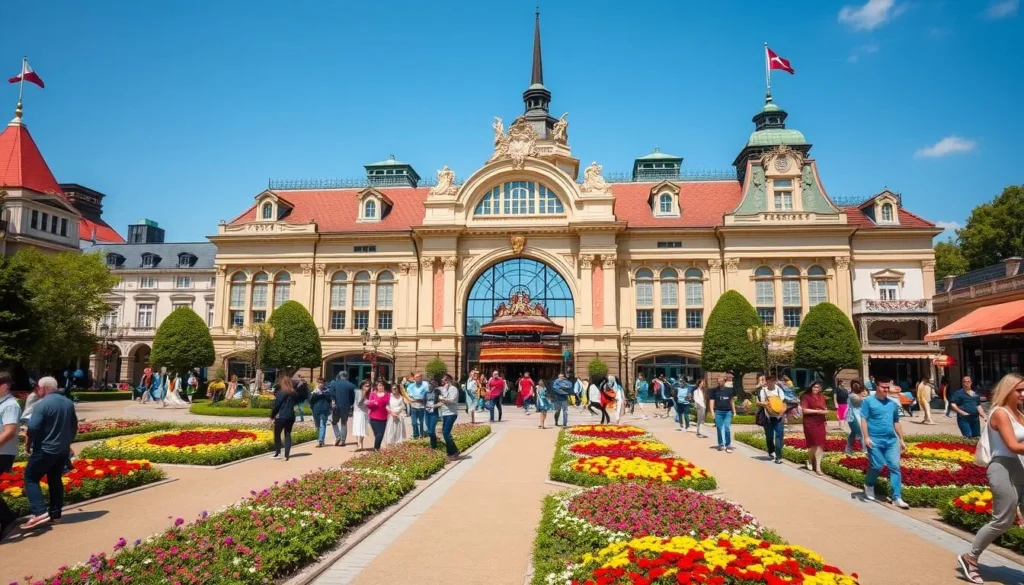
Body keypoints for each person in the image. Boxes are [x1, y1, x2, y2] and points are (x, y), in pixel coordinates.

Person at [957, 374, 1024, 584]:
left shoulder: (1020, 413)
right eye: (1019, 390)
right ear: (1007, 390)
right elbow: (1012, 446)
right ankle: (971, 558)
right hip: (1002, 467)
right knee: (1003, 520)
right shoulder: (1000, 413)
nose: (1023, 394)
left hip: (1019, 467)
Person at [20, 377, 78, 530]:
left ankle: (39, 512)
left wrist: (28, 442)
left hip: (45, 448)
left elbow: (32, 427)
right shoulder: (68, 403)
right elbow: (74, 427)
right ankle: (56, 516)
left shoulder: (41, 404)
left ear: (44, 388)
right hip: (61, 450)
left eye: (38, 388)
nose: (38, 390)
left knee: (30, 477)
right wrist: (67, 444)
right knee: (54, 479)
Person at [861, 376, 909, 509]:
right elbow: (863, 419)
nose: (886, 390)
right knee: (877, 466)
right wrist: (866, 437)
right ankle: (869, 484)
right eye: (883, 387)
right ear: (876, 386)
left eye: (888, 387)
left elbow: (896, 422)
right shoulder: (868, 401)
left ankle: (897, 497)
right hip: (874, 439)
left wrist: (902, 439)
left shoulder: (892, 404)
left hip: (891, 440)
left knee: (895, 466)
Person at [0, 371, 22, 541]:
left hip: (3, 453)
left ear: (4, 386)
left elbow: (10, 432)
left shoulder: (10, 405)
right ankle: (8, 520)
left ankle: (9, 521)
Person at [801, 381, 830, 475]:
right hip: (810, 422)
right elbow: (804, 410)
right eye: (814, 387)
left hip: (820, 422)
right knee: (813, 444)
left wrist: (825, 414)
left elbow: (824, 408)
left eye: (818, 387)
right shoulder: (806, 396)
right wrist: (818, 411)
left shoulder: (821, 396)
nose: (816, 389)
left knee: (820, 444)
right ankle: (810, 460)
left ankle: (818, 467)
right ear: (811, 387)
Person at [269, 376, 297, 460]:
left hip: (281, 416)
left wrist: (272, 416)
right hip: (291, 416)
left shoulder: (281, 392)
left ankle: (278, 453)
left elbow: (277, 405)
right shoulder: (293, 393)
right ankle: (287, 454)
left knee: (277, 434)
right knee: (287, 434)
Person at [710, 374, 736, 453]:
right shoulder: (714, 391)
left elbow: (731, 401)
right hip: (718, 412)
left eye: (721, 381)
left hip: (727, 412)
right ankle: (721, 444)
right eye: (718, 381)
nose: (720, 382)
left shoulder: (729, 390)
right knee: (719, 428)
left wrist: (734, 411)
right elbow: (711, 401)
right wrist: (712, 412)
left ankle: (727, 444)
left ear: (724, 381)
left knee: (727, 428)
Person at [330, 372, 356, 447]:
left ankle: (338, 436)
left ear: (339, 376)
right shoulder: (351, 385)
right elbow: (352, 398)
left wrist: (333, 402)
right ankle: (343, 440)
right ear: (347, 376)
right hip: (346, 407)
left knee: (334, 422)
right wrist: (350, 405)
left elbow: (332, 395)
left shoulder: (334, 384)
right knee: (344, 423)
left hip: (337, 407)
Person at [437, 374, 460, 459]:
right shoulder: (443, 389)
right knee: (446, 433)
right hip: (445, 413)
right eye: (443, 380)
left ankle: (453, 451)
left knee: (446, 432)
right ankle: (451, 452)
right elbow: (440, 398)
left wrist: (442, 399)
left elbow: (452, 400)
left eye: (445, 380)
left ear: (449, 380)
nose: (443, 381)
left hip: (451, 413)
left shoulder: (453, 389)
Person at [365, 381, 391, 451]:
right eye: (379, 386)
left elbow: (388, 405)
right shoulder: (373, 394)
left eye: (382, 386)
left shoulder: (387, 395)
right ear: (376, 387)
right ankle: (376, 448)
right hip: (374, 417)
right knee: (378, 434)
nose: (381, 387)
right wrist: (373, 403)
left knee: (381, 435)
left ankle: (377, 448)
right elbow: (369, 405)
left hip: (383, 417)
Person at [309, 378, 333, 448]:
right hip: (316, 410)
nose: (320, 384)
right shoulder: (314, 392)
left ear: (324, 383)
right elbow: (311, 402)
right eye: (319, 383)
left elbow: (329, 399)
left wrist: (323, 394)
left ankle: (320, 440)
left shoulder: (327, 391)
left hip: (324, 410)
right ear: (317, 383)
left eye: (322, 383)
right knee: (317, 426)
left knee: (322, 424)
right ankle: (321, 440)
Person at [383, 381, 408, 447]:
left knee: (398, 429)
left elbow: (402, 406)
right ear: (391, 389)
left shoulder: (401, 397)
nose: (394, 390)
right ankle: (390, 442)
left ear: (398, 388)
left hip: (399, 414)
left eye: (396, 388)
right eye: (393, 388)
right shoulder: (389, 396)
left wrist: (398, 412)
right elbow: (386, 405)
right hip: (391, 414)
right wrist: (392, 412)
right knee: (391, 429)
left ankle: (398, 442)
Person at [846, 381, 868, 455]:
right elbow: (858, 403)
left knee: (853, 433)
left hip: (858, 417)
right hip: (854, 417)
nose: (865, 391)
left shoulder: (858, 396)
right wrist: (865, 397)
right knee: (862, 433)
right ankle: (865, 450)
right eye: (864, 390)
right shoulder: (853, 396)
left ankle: (848, 450)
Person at [406, 373, 429, 439]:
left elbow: (428, 394)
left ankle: (422, 435)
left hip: (422, 407)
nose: (418, 378)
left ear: (421, 378)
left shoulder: (425, 384)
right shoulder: (411, 386)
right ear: (414, 378)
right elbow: (409, 395)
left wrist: (422, 399)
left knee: (421, 422)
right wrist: (414, 398)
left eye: (419, 377)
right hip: (414, 407)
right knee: (414, 423)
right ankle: (415, 435)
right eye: (416, 377)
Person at [425, 377, 443, 449]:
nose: (430, 385)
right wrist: (425, 406)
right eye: (429, 384)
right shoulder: (426, 392)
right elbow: (424, 401)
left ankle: (433, 445)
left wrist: (435, 406)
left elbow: (441, 402)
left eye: (432, 384)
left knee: (432, 430)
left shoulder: (438, 392)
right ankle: (433, 443)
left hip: (434, 413)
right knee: (429, 431)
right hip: (427, 413)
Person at [352, 380, 370, 450]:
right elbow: (359, 403)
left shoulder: (368, 394)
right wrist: (364, 394)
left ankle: (361, 444)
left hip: (364, 412)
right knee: (357, 428)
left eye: (368, 386)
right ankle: (358, 443)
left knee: (363, 429)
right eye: (366, 386)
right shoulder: (358, 392)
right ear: (362, 386)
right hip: (358, 412)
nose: (367, 388)